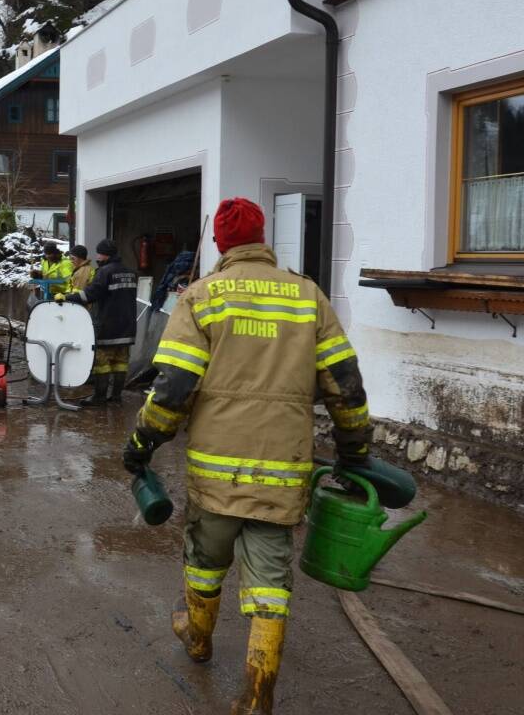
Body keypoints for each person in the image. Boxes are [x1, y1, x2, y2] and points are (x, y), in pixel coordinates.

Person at [121, 197, 373, 714]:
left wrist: (144, 442)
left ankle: (197, 637)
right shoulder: (308, 298)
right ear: (264, 241)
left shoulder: (201, 298)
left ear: (220, 244)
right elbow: (346, 388)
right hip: (282, 473)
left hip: (217, 471)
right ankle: (258, 690)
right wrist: (356, 451)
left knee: (205, 561)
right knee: (271, 580)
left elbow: (172, 389)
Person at [55, 239, 138, 405]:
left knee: (102, 363)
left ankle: (99, 398)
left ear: (105, 254)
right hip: (127, 325)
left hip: (108, 325)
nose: (97, 256)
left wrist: (67, 297)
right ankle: (116, 398)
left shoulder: (105, 272)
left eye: (99, 253)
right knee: (121, 362)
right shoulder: (131, 272)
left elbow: (90, 294)